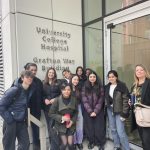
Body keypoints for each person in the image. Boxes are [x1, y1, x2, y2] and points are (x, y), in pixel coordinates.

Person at [0, 70, 34, 150]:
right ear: (22, 78)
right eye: (27, 77)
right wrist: (10, 119)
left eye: (31, 77)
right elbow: (1, 105)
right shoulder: (14, 90)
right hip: (11, 122)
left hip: (21, 122)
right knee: (9, 145)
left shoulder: (29, 90)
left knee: (25, 144)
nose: (30, 79)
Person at [105, 70, 130, 150]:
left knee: (120, 131)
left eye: (113, 76)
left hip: (119, 111)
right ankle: (117, 145)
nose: (111, 78)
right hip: (110, 110)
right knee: (113, 129)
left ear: (116, 77)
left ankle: (126, 148)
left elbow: (126, 100)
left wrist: (124, 114)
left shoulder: (122, 86)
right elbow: (105, 98)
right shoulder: (107, 87)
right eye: (109, 77)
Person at [49, 83, 78, 150]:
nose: (66, 91)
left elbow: (76, 112)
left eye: (68, 90)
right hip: (60, 125)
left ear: (71, 91)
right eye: (64, 90)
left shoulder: (74, 100)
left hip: (70, 124)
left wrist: (72, 121)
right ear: (61, 90)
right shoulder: (57, 100)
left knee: (70, 143)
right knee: (64, 144)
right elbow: (51, 113)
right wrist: (61, 118)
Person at [82, 71, 105, 150]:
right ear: (88, 78)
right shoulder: (85, 87)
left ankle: (100, 143)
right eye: (90, 77)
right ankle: (91, 142)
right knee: (89, 128)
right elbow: (84, 100)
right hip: (88, 111)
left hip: (98, 111)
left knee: (99, 128)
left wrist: (95, 111)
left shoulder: (100, 87)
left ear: (96, 78)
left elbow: (101, 100)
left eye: (94, 77)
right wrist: (90, 111)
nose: (92, 78)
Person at [130, 64, 150, 150]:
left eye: (141, 70)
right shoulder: (134, 85)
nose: (139, 71)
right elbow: (133, 98)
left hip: (147, 114)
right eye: (137, 70)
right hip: (138, 114)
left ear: (145, 72)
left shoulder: (149, 82)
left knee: (146, 139)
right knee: (142, 138)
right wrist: (130, 102)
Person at [24, 63, 43, 150]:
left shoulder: (39, 81)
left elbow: (41, 95)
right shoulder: (21, 80)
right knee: (23, 132)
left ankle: (36, 147)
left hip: (36, 110)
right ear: (27, 70)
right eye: (32, 70)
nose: (34, 72)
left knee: (36, 130)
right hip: (24, 111)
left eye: (35, 70)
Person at [43, 67, 61, 150]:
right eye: (49, 72)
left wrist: (55, 99)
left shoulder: (58, 82)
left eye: (53, 73)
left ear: (55, 74)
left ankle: (56, 146)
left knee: (55, 126)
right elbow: (41, 95)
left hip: (56, 108)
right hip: (47, 108)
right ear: (47, 73)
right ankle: (52, 145)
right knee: (49, 126)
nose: (51, 74)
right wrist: (44, 99)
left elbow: (62, 94)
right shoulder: (43, 83)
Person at [70, 74, 83, 150]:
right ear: (71, 79)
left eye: (77, 80)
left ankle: (79, 142)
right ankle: (74, 142)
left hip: (78, 107)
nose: (76, 81)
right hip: (69, 108)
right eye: (74, 79)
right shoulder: (67, 87)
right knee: (72, 125)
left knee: (79, 125)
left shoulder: (79, 88)